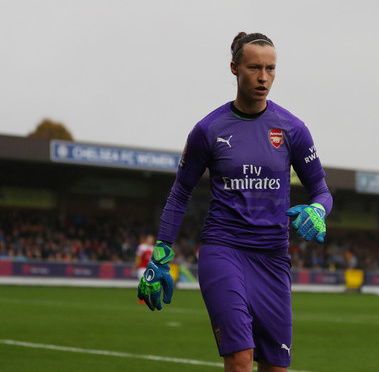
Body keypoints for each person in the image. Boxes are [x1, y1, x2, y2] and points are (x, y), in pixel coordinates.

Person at [136, 32, 333, 372]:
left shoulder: (293, 129)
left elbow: (321, 190)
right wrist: (161, 254)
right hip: (223, 250)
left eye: (271, 69)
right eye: (254, 67)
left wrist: (318, 210)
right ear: (234, 68)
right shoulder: (208, 130)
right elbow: (180, 192)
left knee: (275, 366)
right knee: (240, 359)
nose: (263, 77)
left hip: (273, 258)